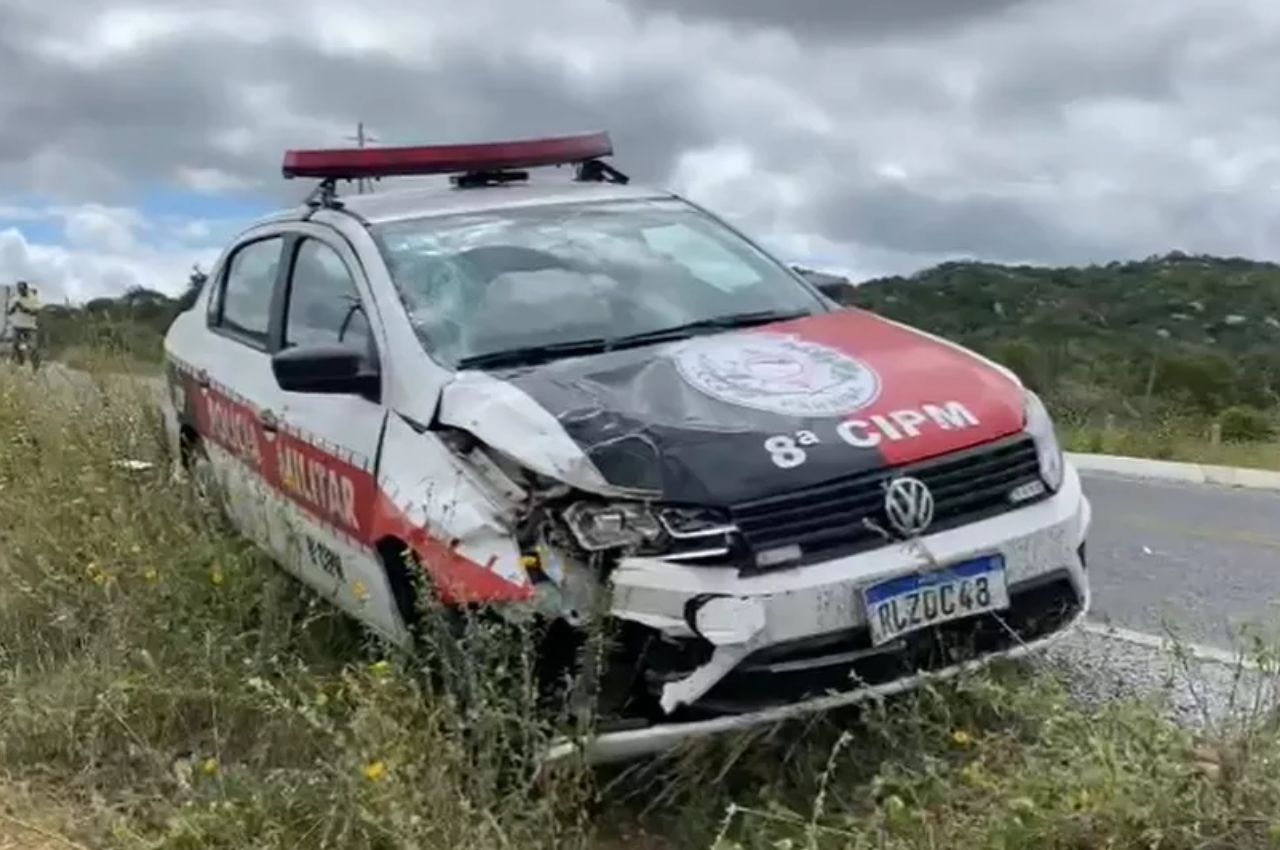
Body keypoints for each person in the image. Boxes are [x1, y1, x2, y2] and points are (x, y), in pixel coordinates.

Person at [7, 280, 41, 368]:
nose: (21, 292)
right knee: (15, 345)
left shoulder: (33, 297)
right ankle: (20, 362)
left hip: (30, 326)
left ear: (26, 289)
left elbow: (36, 311)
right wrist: (14, 307)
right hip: (17, 325)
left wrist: (24, 309)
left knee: (33, 347)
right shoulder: (15, 298)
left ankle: (35, 367)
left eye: (23, 290)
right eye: (19, 290)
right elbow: (9, 312)